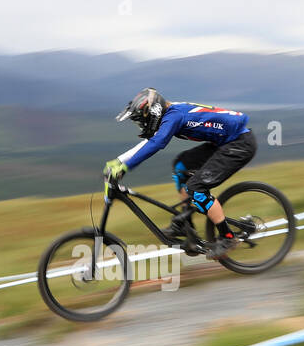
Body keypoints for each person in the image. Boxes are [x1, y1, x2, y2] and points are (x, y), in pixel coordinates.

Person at [103, 88, 257, 259]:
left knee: (196, 189)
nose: (142, 126)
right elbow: (150, 140)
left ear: (153, 112)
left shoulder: (174, 116)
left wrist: (125, 167)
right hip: (224, 142)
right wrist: (119, 161)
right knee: (181, 166)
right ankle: (186, 225)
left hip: (239, 145)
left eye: (142, 121)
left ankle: (228, 237)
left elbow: (157, 143)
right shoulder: (170, 112)